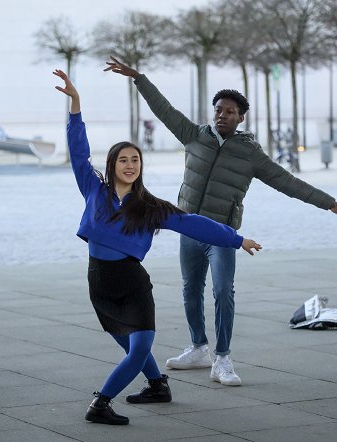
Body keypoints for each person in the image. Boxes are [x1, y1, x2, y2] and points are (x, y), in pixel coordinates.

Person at [105, 57, 337, 386]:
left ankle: (222, 358)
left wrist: (331, 204)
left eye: (229, 112)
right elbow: (163, 109)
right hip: (188, 228)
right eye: (218, 110)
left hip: (222, 234)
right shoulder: (194, 135)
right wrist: (139, 78)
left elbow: (287, 182)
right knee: (190, 291)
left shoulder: (250, 154)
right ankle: (199, 348)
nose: (221, 116)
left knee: (223, 291)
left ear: (240, 117)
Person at [53, 69, 262, 425]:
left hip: (132, 283)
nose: (130, 165)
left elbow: (193, 223)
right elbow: (77, 150)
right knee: (129, 346)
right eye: (123, 159)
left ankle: (100, 404)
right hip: (100, 283)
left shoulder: (151, 207)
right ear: (112, 165)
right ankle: (158, 386)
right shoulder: (93, 190)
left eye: (135, 160)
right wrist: (76, 104)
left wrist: (236, 239)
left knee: (138, 349)